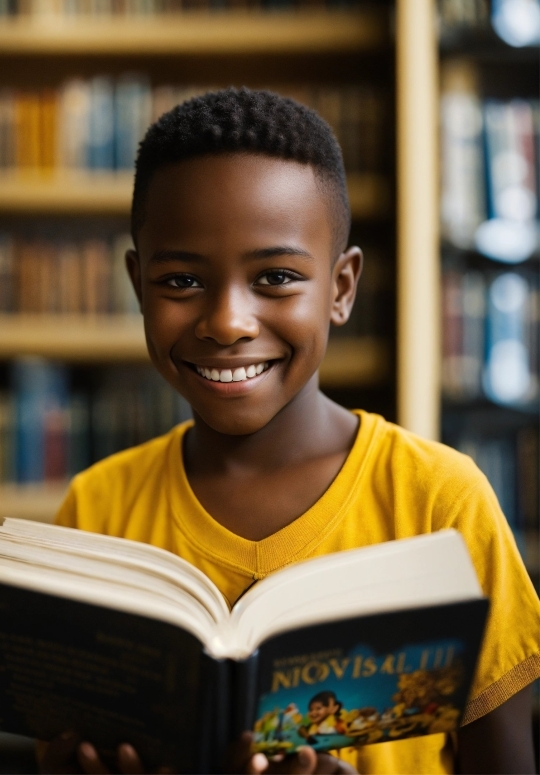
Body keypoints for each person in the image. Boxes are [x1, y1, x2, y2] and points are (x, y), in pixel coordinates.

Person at [40, 88, 540, 775]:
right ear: (138, 287)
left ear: (341, 288)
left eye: (275, 277)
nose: (227, 321)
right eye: (181, 279)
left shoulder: (441, 504)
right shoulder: (95, 510)